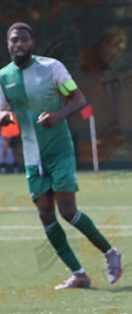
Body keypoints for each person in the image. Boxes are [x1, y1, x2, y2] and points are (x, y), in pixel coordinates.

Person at [0, 23, 122, 289]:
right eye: (13, 40)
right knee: (46, 215)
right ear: (8, 44)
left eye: (23, 40)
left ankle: (110, 252)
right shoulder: (3, 77)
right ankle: (79, 274)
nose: (18, 44)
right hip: (33, 158)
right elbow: (6, 118)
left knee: (68, 211)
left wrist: (57, 116)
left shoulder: (52, 68)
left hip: (60, 151)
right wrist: (4, 118)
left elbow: (79, 100)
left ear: (32, 43)